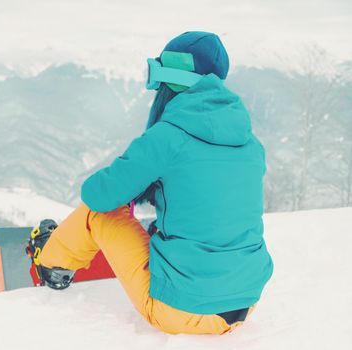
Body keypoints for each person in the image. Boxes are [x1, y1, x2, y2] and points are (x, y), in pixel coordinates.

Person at [28, 31, 274, 335]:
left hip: (180, 309)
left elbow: (98, 195)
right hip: (243, 305)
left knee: (98, 215)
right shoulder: (250, 143)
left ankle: (51, 261)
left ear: (169, 82)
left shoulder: (167, 137)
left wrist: (133, 175)